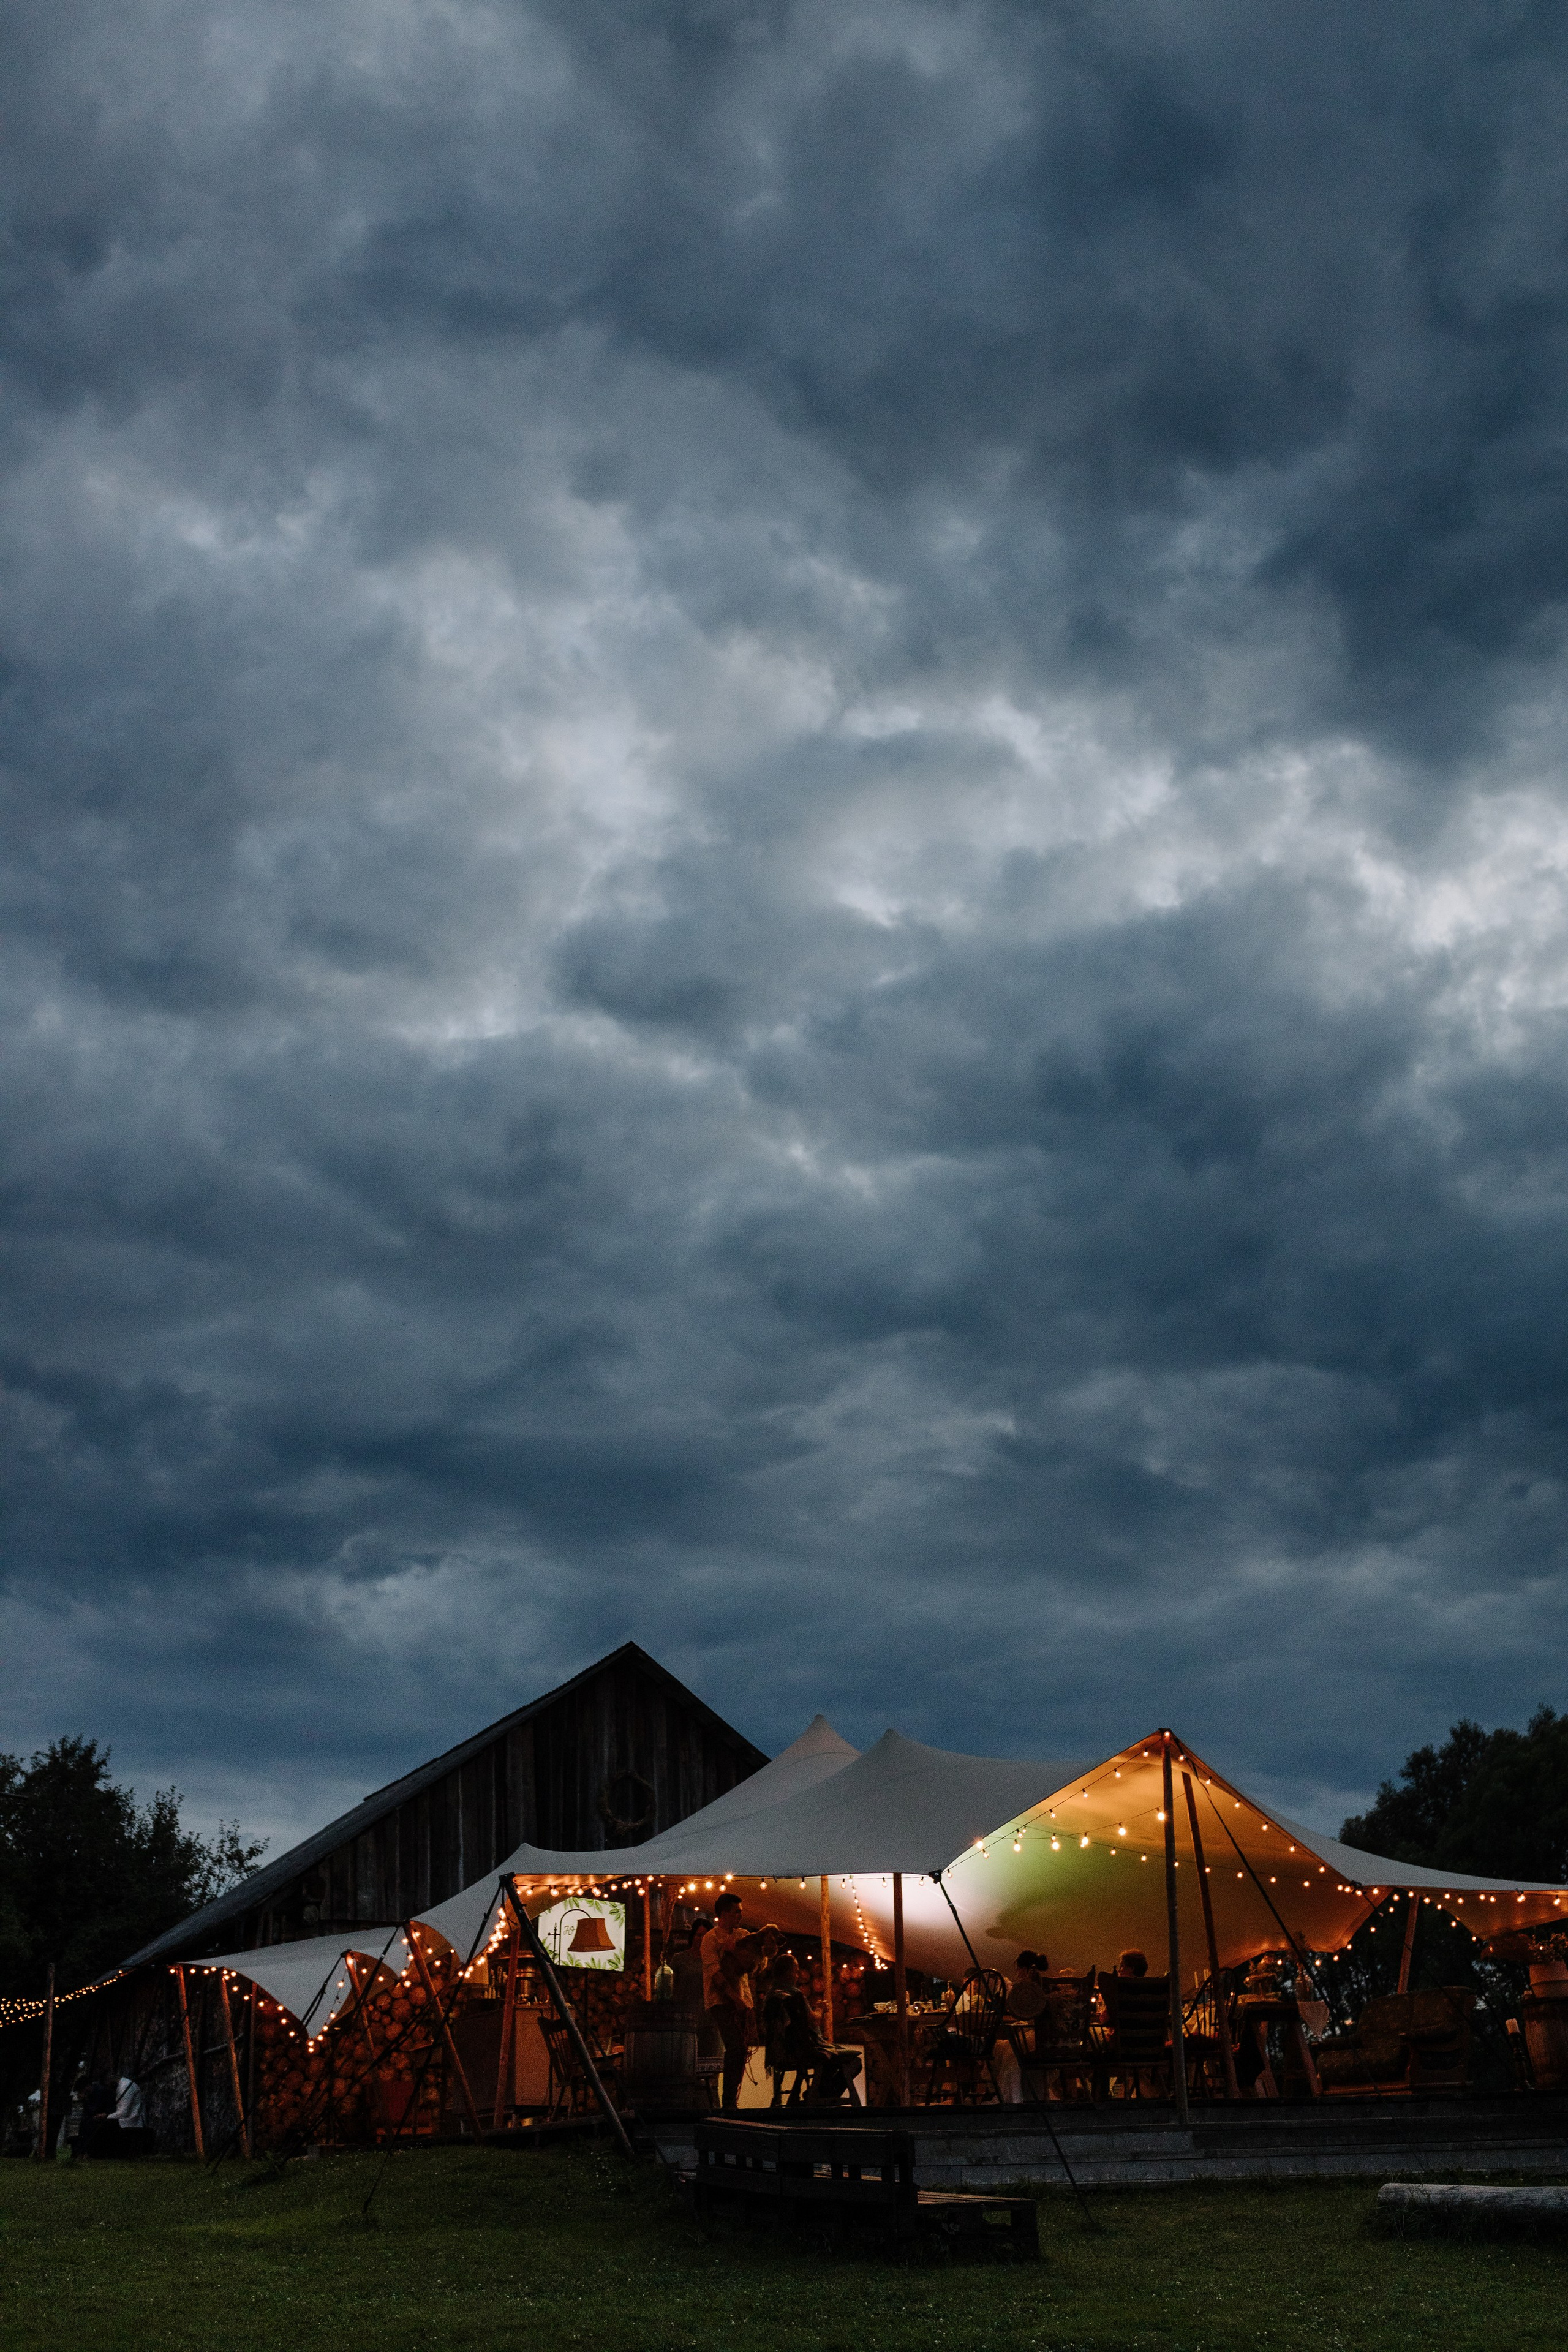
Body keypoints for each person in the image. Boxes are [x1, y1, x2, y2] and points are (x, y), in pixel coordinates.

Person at [700, 1894, 776, 2111]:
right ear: (723, 1914)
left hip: (744, 1999)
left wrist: (766, 1955)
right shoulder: (710, 1939)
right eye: (737, 1911)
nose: (741, 1915)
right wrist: (736, 2000)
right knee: (735, 2046)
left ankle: (731, 2100)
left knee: (742, 2049)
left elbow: (757, 1970)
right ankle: (728, 2104)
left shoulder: (744, 1935)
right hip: (720, 2001)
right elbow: (715, 1973)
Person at [759, 1954, 862, 2108]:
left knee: (830, 2061)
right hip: (801, 2051)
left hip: (779, 2052)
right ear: (788, 1973)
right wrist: (821, 2009)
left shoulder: (771, 1996)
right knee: (854, 2062)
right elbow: (812, 2021)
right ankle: (823, 2096)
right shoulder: (793, 1997)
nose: (798, 1975)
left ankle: (817, 2093)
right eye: (796, 1970)